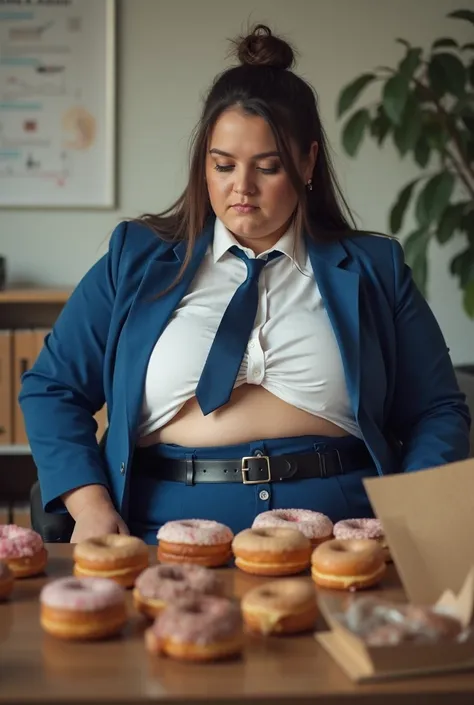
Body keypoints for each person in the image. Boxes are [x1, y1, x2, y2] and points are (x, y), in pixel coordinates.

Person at [19, 25, 470, 544]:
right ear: (203, 164)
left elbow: (437, 409)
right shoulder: (135, 258)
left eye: (268, 167)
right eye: (224, 165)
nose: (242, 188)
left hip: (342, 539)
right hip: (159, 535)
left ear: (308, 163)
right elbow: (53, 388)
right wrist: (90, 506)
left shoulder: (375, 267)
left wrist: (412, 523)